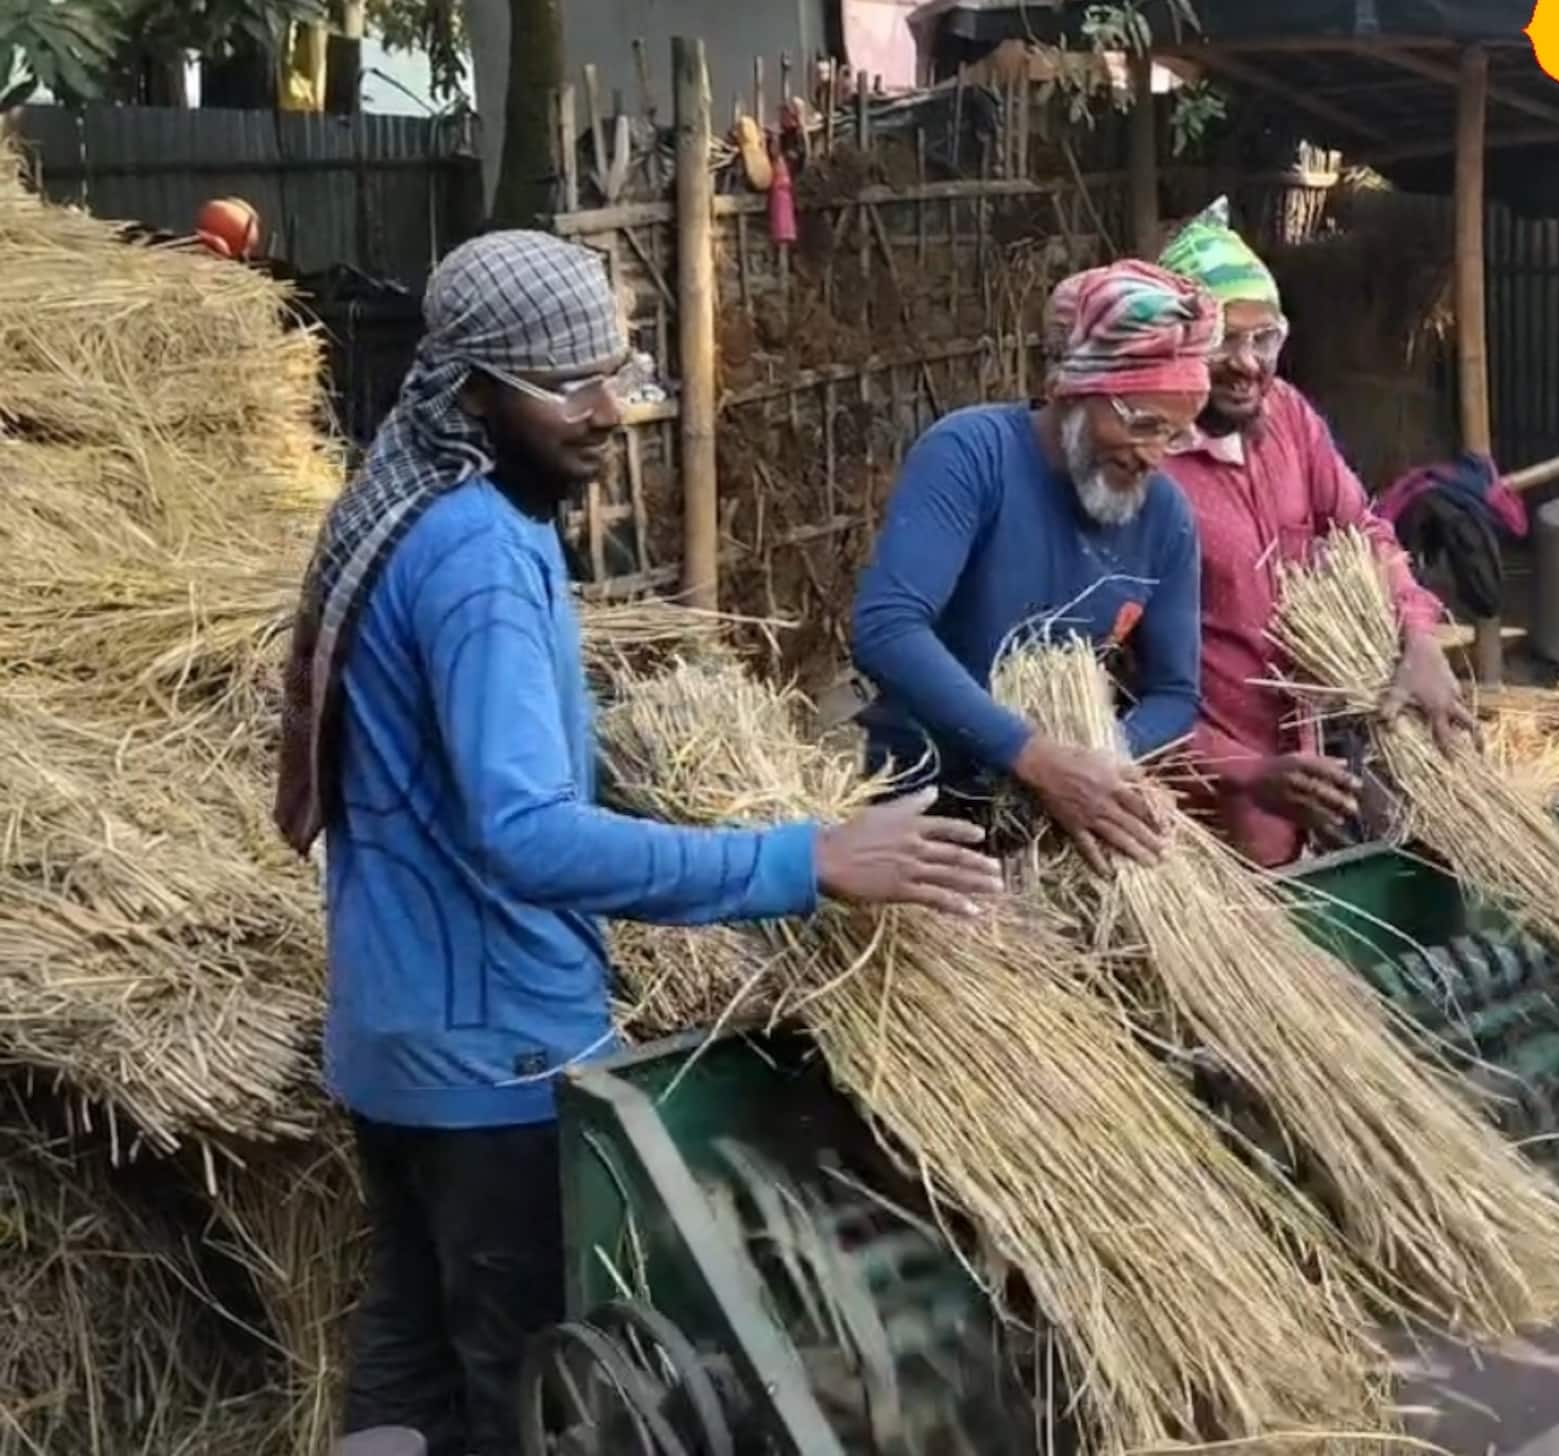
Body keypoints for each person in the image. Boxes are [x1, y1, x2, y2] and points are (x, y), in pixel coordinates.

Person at [274, 231, 1002, 1456]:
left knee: (410, 1378)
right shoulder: (482, 561)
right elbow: (525, 835)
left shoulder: (410, 504)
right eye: (568, 388)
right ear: (471, 390)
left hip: (396, 1037)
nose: (609, 411)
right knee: (526, 1395)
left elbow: (471, 760)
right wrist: (801, 858)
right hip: (498, 1057)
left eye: (615, 372)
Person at [850, 259, 1219, 873]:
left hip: (1060, 830)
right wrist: (1033, 757)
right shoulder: (972, 455)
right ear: (1073, 390)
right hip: (923, 817)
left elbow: (1175, 693)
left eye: (1175, 435)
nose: (1155, 455)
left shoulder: (1166, 517)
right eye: (1143, 425)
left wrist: (1100, 764)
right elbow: (886, 628)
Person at [1157, 198, 1478, 869]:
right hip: (1205, 802)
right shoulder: (1144, 468)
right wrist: (1243, 768)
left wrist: (1419, 636)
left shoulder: (1289, 419)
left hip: (1315, 751)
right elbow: (1124, 682)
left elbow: (1361, 529)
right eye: (1222, 341)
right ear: (1180, 344)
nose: (1246, 363)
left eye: (1264, 338)